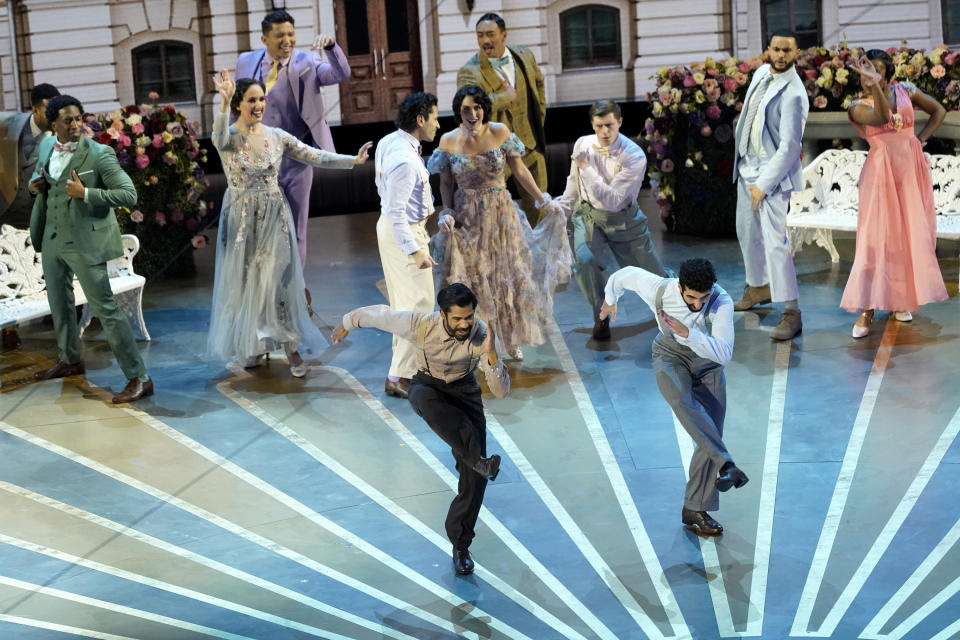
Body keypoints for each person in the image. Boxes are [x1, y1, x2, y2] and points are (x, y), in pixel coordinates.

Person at [332, 283, 508, 576]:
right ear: (443, 315)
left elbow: (501, 391)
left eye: (469, 317)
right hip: (430, 387)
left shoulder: (481, 333)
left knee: (474, 483)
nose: (465, 324)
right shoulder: (421, 325)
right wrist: (347, 323)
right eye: (457, 318)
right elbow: (380, 316)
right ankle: (478, 460)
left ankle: (461, 545)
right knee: (422, 398)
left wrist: (491, 357)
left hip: (466, 392)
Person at [207, 70, 370, 376]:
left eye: (261, 99)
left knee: (278, 283)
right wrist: (222, 101)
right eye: (251, 100)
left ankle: (292, 349)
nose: (258, 105)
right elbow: (216, 137)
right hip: (242, 220)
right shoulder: (229, 137)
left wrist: (351, 160)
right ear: (238, 104)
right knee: (245, 284)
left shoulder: (276, 136)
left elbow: (313, 155)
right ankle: (252, 345)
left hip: (274, 217)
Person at [600, 259, 747, 535]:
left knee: (709, 432)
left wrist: (689, 333)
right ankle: (727, 464)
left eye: (703, 298)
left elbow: (724, 354)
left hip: (708, 363)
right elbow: (625, 275)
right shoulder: (660, 289)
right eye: (691, 297)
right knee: (681, 401)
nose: (697, 304)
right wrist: (610, 299)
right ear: (680, 287)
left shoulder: (721, 302)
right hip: (669, 356)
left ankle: (695, 508)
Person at [427, 84, 570, 360]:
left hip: (501, 216)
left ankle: (511, 336)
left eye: (477, 107)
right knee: (475, 278)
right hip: (468, 216)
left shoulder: (500, 132)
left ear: (484, 109)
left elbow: (519, 170)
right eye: (466, 108)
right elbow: (446, 182)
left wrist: (543, 199)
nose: (472, 113)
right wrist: (447, 211)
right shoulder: (448, 140)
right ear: (458, 110)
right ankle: (478, 341)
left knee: (507, 276)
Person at [28, 94, 153, 403]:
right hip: (52, 238)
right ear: (53, 122)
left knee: (107, 310)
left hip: (85, 242)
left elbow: (128, 194)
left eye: (79, 119)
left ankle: (139, 377)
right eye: (67, 120)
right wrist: (35, 184)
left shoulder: (99, 154)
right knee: (60, 304)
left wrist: (87, 193)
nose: (75, 125)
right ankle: (70, 359)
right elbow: (40, 175)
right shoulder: (46, 145)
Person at [842, 51, 948, 337]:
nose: (868, 77)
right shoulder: (855, 106)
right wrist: (874, 85)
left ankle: (899, 299)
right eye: (864, 73)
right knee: (876, 240)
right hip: (881, 175)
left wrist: (920, 140)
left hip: (910, 171)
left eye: (875, 72)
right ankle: (867, 308)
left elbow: (939, 111)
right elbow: (881, 116)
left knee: (907, 237)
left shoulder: (906, 90)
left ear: (888, 73)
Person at [235, 9, 351, 269]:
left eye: (290, 34)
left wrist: (331, 47)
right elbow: (237, 105)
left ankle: (295, 287)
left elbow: (340, 75)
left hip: (297, 160)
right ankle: (268, 283)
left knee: (297, 227)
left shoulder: (307, 62)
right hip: (260, 160)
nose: (287, 40)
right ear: (265, 39)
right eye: (279, 35)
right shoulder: (246, 62)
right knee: (264, 226)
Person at [556, 99, 667, 340]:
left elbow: (613, 201)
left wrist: (586, 167)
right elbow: (574, 184)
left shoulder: (633, 155)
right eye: (598, 126)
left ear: (619, 122)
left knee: (652, 273)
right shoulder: (583, 143)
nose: (604, 132)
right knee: (585, 261)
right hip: (588, 217)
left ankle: (678, 303)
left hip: (623, 219)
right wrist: (562, 212)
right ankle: (601, 316)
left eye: (609, 125)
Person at [732, 30, 809, 341]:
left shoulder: (795, 93)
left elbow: (791, 146)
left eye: (786, 51)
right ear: (768, 50)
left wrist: (764, 184)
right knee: (746, 232)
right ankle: (757, 286)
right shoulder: (762, 73)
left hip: (770, 178)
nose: (780, 55)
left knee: (775, 244)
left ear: (796, 53)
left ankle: (792, 311)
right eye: (776, 49)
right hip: (746, 167)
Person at [375, 92, 441, 399]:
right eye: (435, 118)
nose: (438, 125)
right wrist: (415, 252)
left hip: (397, 230)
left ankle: (405, 371)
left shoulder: (392, 141)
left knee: (410, 305)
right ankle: (399, 376)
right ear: (420, 120)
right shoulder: (404, 160)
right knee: (416, 307)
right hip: (404, 233)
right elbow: (396, 212)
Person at [458, 12, 546, 227]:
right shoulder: (469, 71)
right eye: (480, 35)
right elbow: (469, 109)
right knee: (491, 215)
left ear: (504, 34)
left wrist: (537, 122)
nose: (485, 40)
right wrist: (502, 98)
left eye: (490, 34)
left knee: (540, 207)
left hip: (529, 145)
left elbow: (539, 86)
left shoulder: (524, 55)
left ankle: (539, 255)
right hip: (493, 155)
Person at [0, 83, 59, 350]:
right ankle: (8, 327)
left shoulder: (59, 134)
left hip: (35, 212)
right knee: (4, 269)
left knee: (45, 259)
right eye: (49, 109)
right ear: (35, 109)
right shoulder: (9, 124)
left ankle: (54, 311)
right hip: (3, 209)